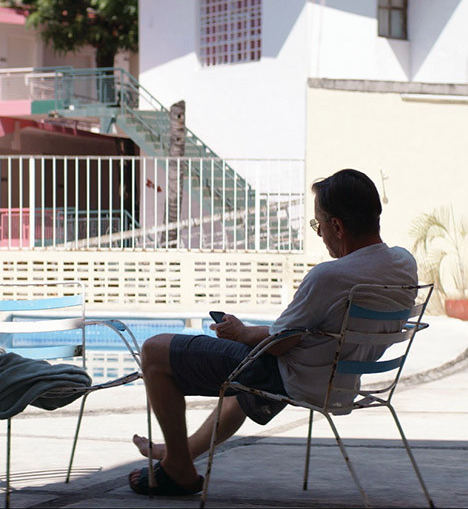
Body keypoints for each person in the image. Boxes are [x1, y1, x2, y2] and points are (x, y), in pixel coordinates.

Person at [128, 168, 419, 496]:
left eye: (319, 225)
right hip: (339, 380)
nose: (320, 235)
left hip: (295, 377)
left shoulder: (330, 277)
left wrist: (240, 331)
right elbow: (297, 335)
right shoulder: (404, 264)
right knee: (245, 382)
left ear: (337, 226)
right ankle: (179, 454)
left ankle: (177, 468)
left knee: (155, 351)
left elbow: (279, 344)